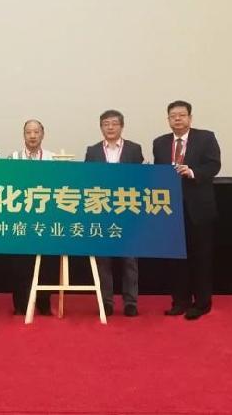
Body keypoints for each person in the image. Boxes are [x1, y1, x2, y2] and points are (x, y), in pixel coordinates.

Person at [153, 100, 221, 320]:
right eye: (173, 116)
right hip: (171, 209)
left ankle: (202, 303)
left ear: (190, 118)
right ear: (168, 120)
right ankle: (180, 301)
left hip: (198, 209)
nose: (177, 119)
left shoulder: (206, 138)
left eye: (182, 115)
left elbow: (214, 165)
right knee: (176, 258)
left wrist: (191, 172)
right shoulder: (160, 143)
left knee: (201, 257)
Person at [84, 110, 144, 317]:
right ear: (101, 127)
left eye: (114, 124)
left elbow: (141, 179)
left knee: (130, 260)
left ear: (122, 126)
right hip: (101, 212)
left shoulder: (134, 149)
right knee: (103, 260)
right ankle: (106, 302)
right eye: (106, 124)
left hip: (127, 211)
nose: (110, 127)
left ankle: (131, 302)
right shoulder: (92, 151)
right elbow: (87, 180)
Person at [8, 119, 55, 315]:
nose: (32, 136)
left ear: (43, 134)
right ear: (24, 135)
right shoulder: (13, 158)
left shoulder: (53, 159)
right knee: (21, 265)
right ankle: (20, 305)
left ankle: (43, 304)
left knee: (45, 265)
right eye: (29, 132)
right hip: (21, 220)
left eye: (36, 132)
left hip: (45, 220)